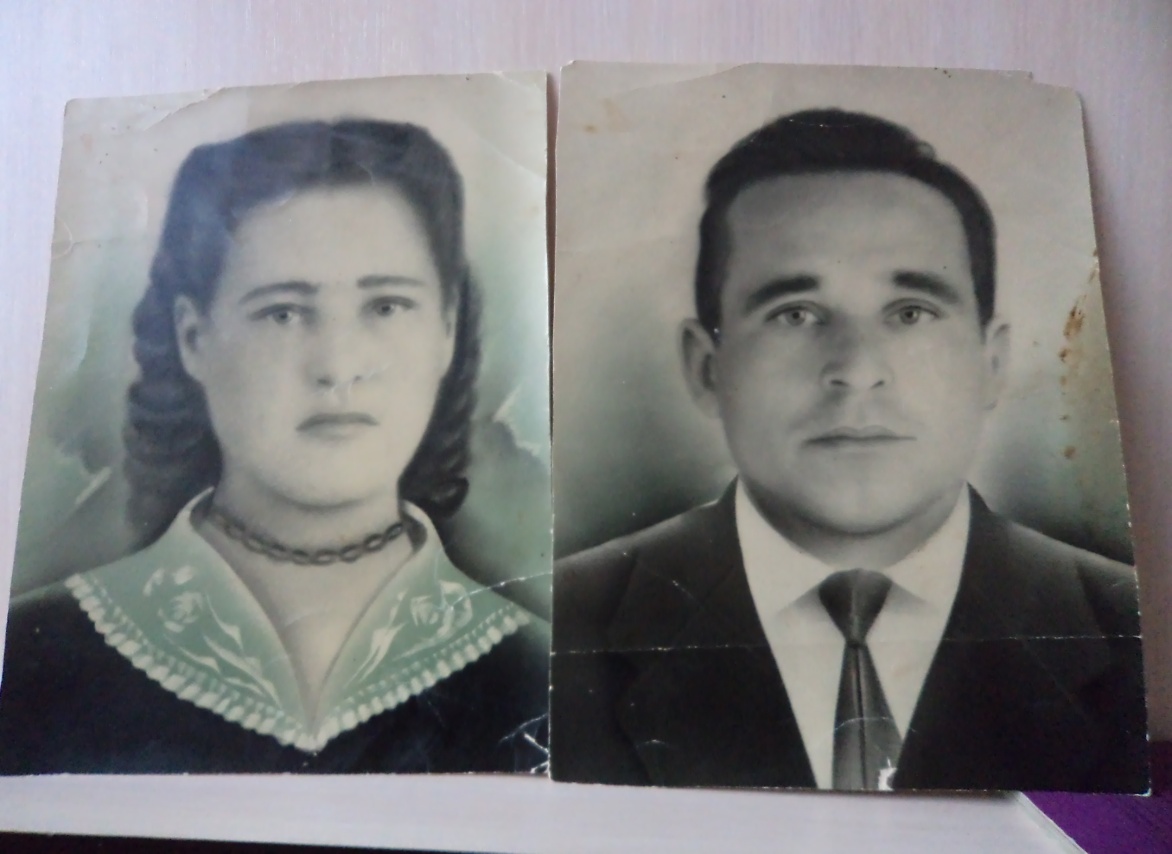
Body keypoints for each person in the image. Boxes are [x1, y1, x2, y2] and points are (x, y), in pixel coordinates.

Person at [551, 109, 1147, 792]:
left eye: (911, 312)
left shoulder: (1126, 626)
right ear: (707, 367)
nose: (857, 369)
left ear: (992, 362)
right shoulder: (559, 625)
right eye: (795, 314)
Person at [0, 119, 549, 774]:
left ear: (447, 330)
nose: (337, 367)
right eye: (283, 312)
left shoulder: (536, 671)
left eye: (386, 306)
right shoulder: (33, 655)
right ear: (194, 338)